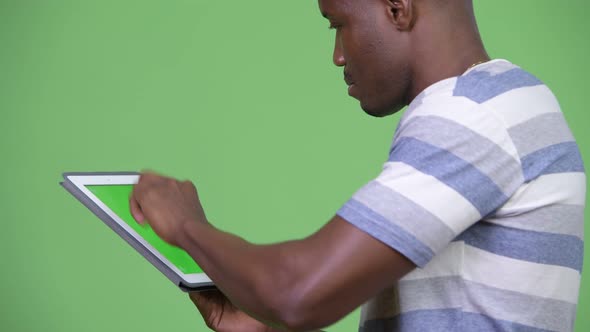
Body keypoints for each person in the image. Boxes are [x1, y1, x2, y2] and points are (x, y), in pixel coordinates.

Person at [129, 0, 586, 331]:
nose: (338, 55)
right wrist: (258, 327)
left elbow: (296, 293)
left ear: (396, 7)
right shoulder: (506, 103)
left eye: (338, 23)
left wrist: (187, 228)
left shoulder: (474, 113)